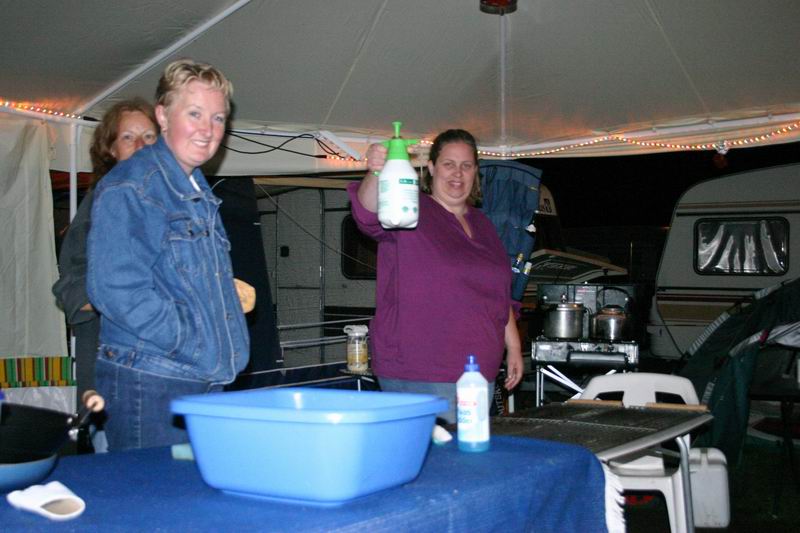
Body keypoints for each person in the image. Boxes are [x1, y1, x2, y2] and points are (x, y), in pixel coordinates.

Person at [87, 59, 254, 451]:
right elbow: (116, 291)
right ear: (162, 116)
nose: (207, 129)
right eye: (194, 114)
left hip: (196, 377)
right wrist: (197, 340)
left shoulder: (194, 190)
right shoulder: (134, 186)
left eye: (217, 118)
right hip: (153, 381)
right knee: (153, 491)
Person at [348, 129, 523, 423]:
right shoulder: (410, 207)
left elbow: (498, 293)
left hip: (479, 371)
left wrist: (514, 347)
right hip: (422, 371)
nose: (458, 173)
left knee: (469, 451)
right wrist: (377, 172)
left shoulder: (482, 223)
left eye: (466, 165)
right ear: (431, 167)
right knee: (440, 452)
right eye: (448, 164)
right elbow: (368, 213)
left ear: (476, 171)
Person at [52, 98, 158, 451]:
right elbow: (71, 282)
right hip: (113, 366)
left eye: (149, 136)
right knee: (121, 466)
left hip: (166, 371)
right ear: (110, 150)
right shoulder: (103, 200)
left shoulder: (175, 200)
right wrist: (116, 299)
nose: (141, 145)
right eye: (129, 137)